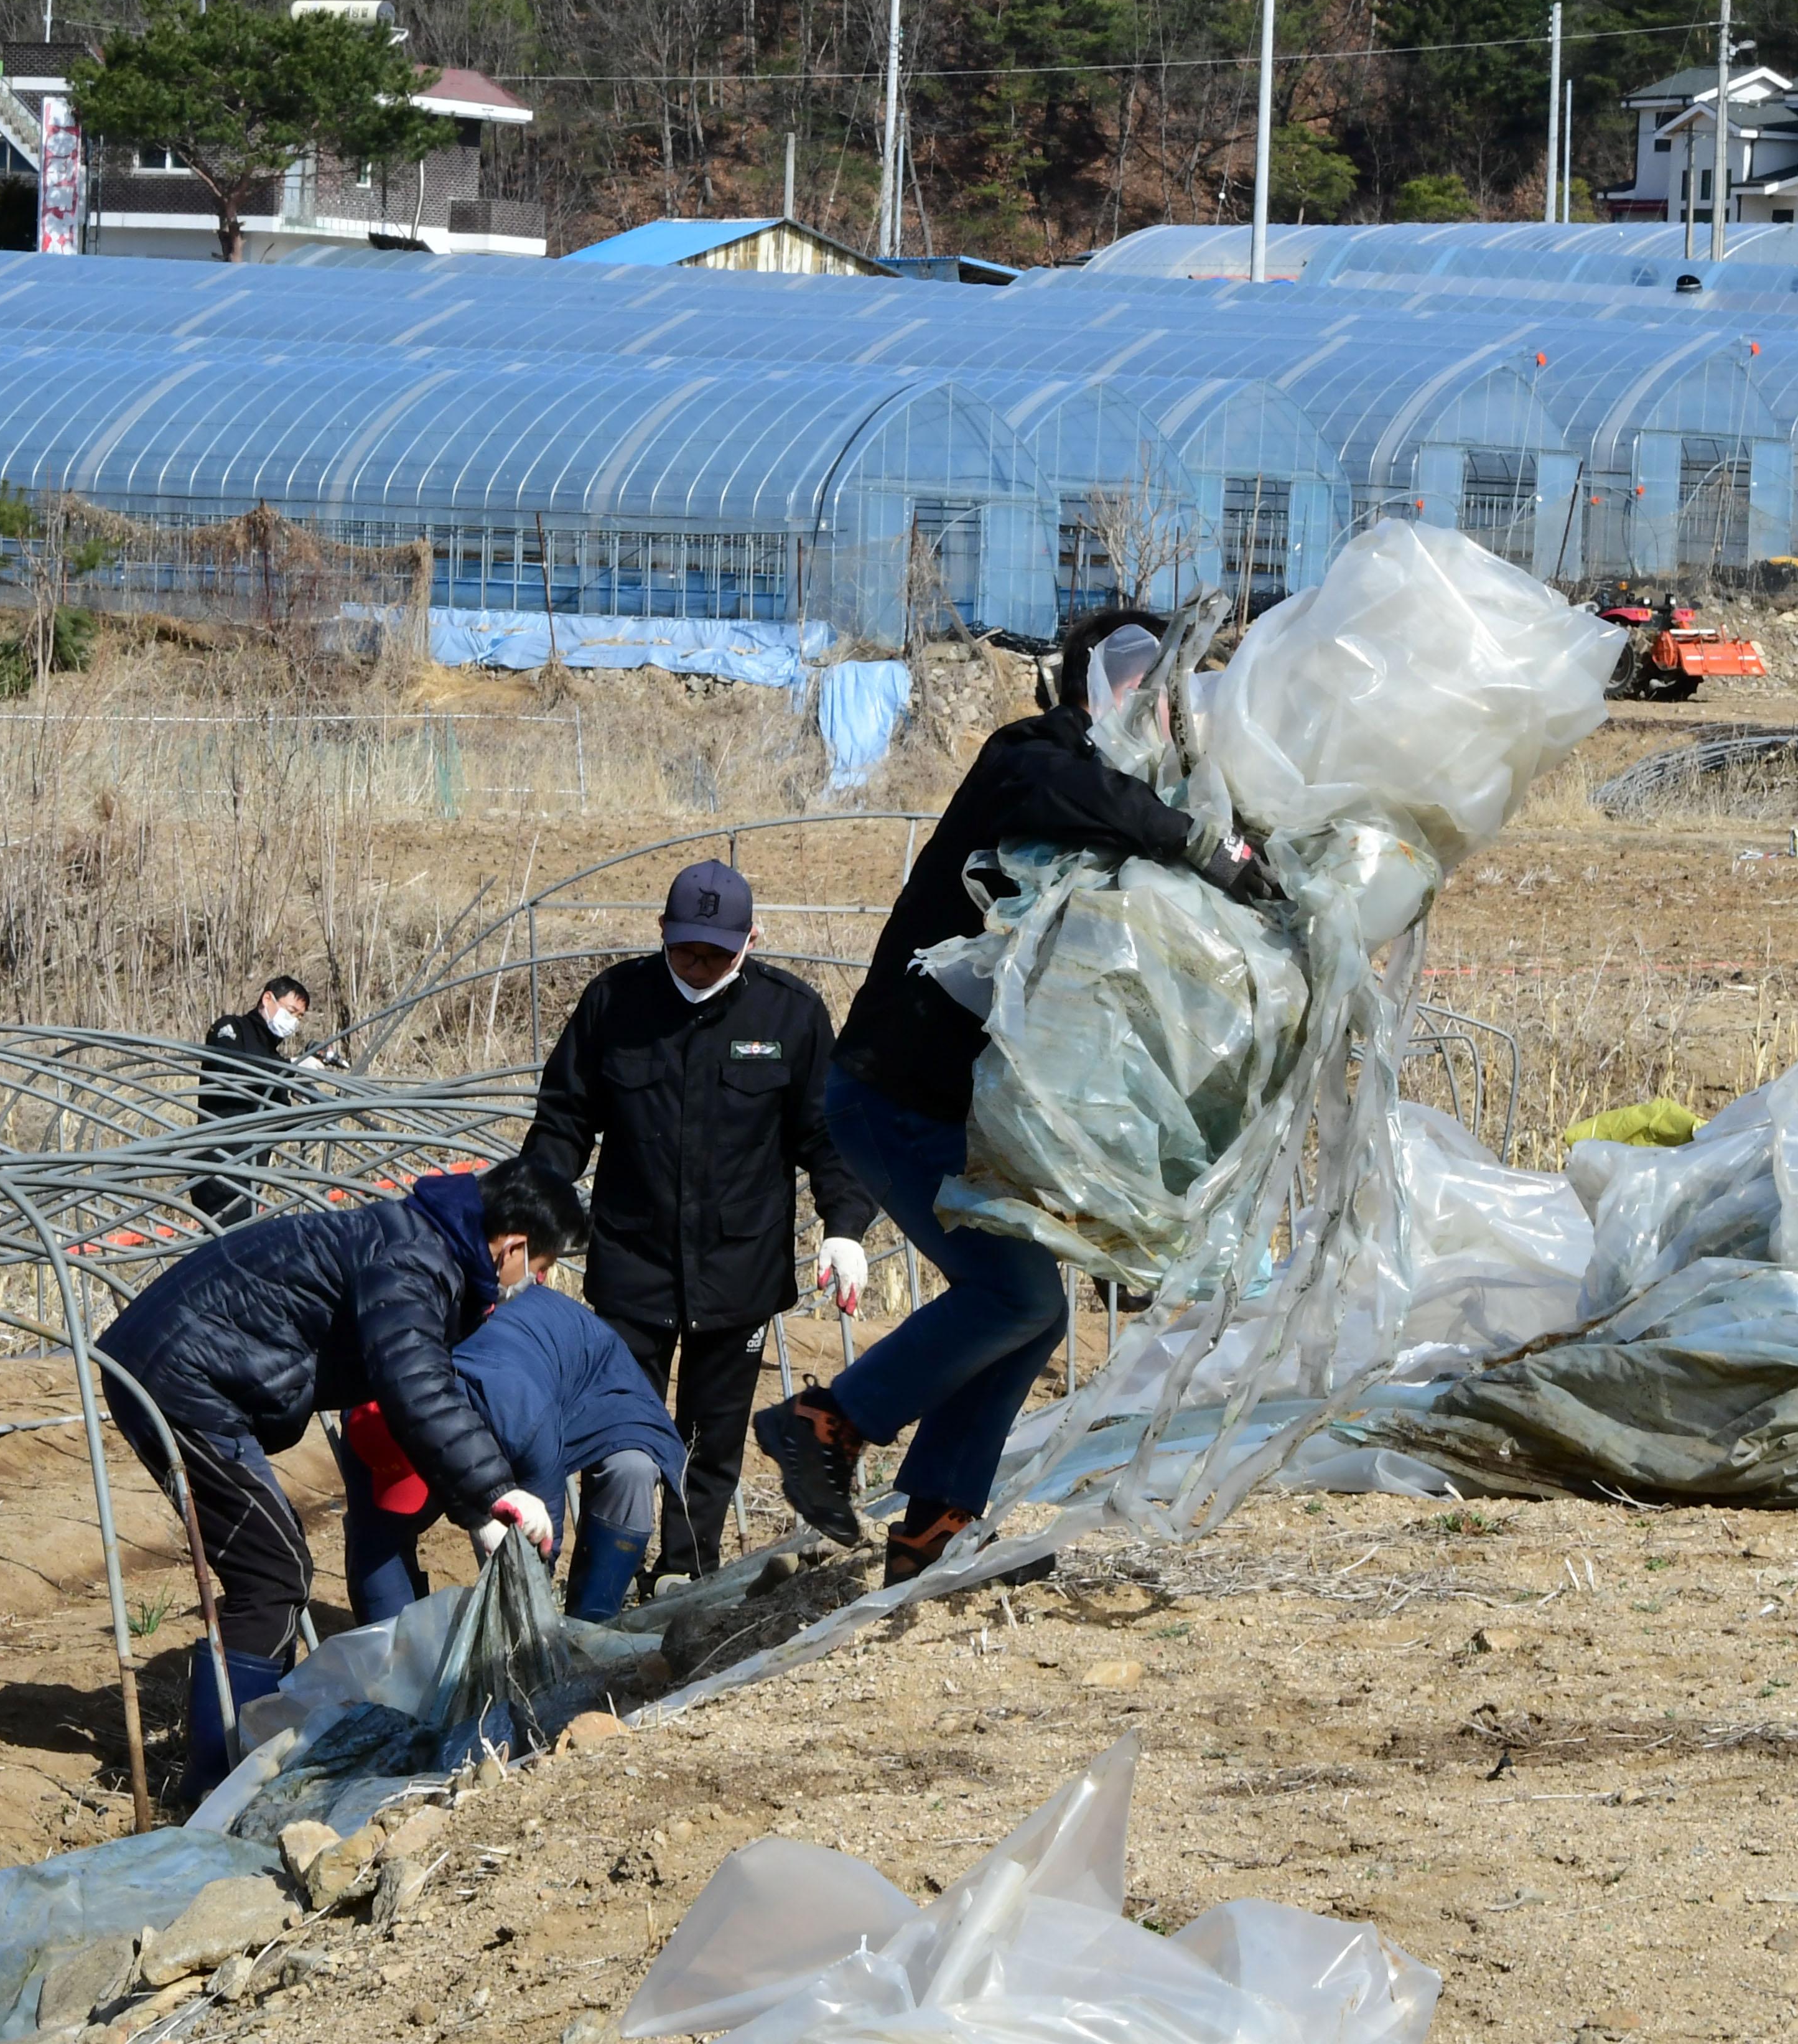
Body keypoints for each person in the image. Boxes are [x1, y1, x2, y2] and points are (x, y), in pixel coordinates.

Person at [758, 607, 1276, 1582]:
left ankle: (936, 1524)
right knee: (1016, 1292)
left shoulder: (1116, 791)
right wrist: (1208, 851)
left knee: (1031, 1309)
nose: (1167, 712)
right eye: (1153, 690)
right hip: (894, 1093)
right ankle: (822, 1422)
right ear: (1108, 686)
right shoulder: (1031, 756)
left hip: (957, 1108)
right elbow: (1082, 794)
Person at [94, 1156, 577, 1801]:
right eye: (540, 1266)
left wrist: (479, 1502)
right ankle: (216, 1784)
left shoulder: (421, 1242)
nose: (536, 1280)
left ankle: (232, 1767)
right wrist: (494, 1491)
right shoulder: (417, 1258)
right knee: (269, 1571)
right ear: (513, 1245)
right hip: (180, 1374)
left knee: (271, 1568)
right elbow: (415, 1384)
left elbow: (417, 1386)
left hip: (187, 1362)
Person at [519, 859, 878, 1593]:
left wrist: (845, 1226)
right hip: (633, 1260)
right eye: (685, 949)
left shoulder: (790, 1015)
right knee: (618, 1430)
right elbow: (563, 1122)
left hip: (738, 1271)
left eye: (718, 952)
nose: (699, 964)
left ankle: (686, 1569)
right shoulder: (616, 1004)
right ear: (662, 933)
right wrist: (536, 1223)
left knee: (711, 1437)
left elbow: (829, 1135)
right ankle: (602, 1581)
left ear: (753, 939)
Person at [330, 1182, 688, 1630]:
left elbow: (542, 1534)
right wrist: (393, 1650)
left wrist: (527, 1626)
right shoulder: (364, 1416)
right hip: (503, 1380)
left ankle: (593, 1624)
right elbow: (372, 1545)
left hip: (580, 1366)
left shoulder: (520, 1418)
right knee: (386, 1536)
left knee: (631, 1470)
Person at [192, 975, 335, 1228]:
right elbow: (233, 1069)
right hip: (219, 1163)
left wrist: (310, 1103)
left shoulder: (273, 1056)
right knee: (226, 1246)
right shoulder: (230, 1029)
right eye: (291, 1012)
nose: (293, 1022)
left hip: (252, 1170)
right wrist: (289, 1068)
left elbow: (279, 1119)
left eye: (300, 1017)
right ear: (267, 999)